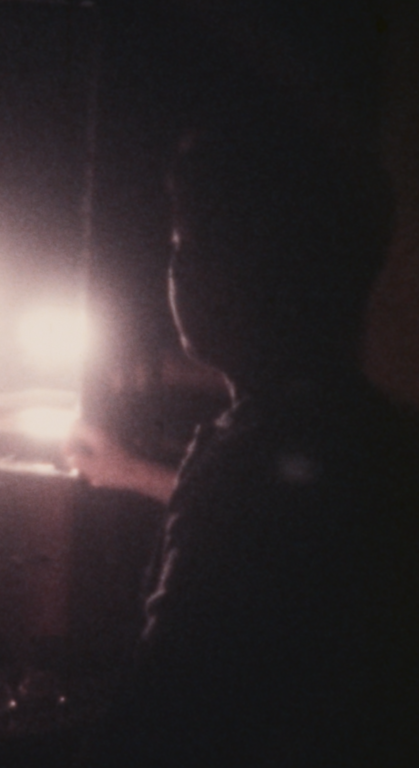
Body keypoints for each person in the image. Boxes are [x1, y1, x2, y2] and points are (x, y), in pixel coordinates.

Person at [67, 102, 419, 766]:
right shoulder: (385, 439)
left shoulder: (242, 470)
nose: (175, 270)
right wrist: (136, 465)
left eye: (188, 244)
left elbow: (159, 711)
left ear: (258, 270)